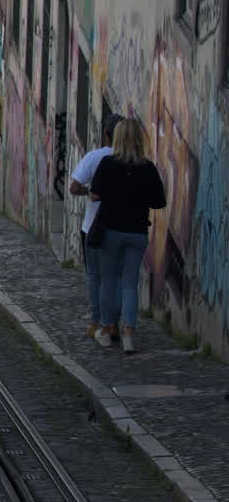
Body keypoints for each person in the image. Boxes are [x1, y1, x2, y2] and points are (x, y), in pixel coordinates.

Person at [89, 118, 166, 354]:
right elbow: (159, 202)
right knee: (130, 283)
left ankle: (106, 328)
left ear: (117, 138)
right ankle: (129, 335)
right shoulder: (148, 167)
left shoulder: (108, 163)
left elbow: (94, 196)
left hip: (110, 230)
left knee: (108, 281)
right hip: (137, 233)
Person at [68, 114, 123, 341]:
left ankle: (97, 321)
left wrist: (89, 193)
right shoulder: (135, 159)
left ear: (106, 134)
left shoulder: (95, 157)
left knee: (95, 276)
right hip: (124, 227)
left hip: (93, 227)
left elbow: (73, 187)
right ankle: (114, 324)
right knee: (118, 278)